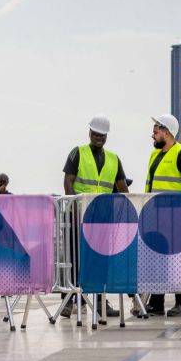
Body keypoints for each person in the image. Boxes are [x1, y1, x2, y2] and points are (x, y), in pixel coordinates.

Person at [61, 115, 129, 318]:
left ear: (106, 136)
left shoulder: (114, 159)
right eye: (96, 134)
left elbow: (122, 187)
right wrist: (74, 208)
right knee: (75, 259)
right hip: (78, 216)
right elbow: (68, 182)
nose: (99, 138)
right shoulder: (78, 153)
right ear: (90, 133)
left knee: (100, 260)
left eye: (102, 135)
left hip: (102, 219)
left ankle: (100, 300)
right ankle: (71, 299)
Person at [145, 114, 181, 317]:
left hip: (175, 215)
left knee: (177, 260)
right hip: (156, 215)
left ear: (166, 132)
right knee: (157, 258)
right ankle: (157, 302)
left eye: (156, 131)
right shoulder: (154, 155)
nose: (152, 135)